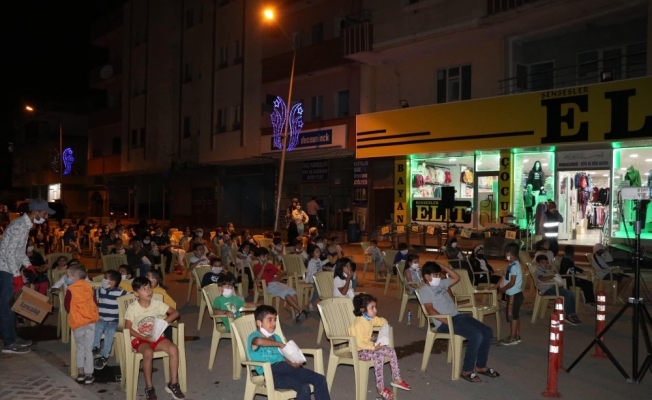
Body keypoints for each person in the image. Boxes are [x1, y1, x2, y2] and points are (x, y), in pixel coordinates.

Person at [418, 261, 499, 382]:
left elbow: (457, 277)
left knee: (487, 331)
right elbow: (430, 310)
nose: (438, 277)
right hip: (444, 323)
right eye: (435, 275)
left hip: (457, 316)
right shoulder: (425, 290)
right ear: (427, 276)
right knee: (476, 335)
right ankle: (467, 370)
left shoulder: (441, 283)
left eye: (439, 274)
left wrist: (444, 267)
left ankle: (481, 366)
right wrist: (448, 322)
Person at [0, 198, 54, 354]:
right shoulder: (19, 226)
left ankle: (13, 337)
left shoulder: (24, 225)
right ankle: (9, 343)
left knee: (12, 305)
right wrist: (16, 275)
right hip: (5, 269)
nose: (46, 217)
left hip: (9, 268)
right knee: (6, 307)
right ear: (35, 212)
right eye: (44, 213)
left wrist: (28, 265)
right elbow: (10, 254)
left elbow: (19, 252)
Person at [247, 305, 330, 400]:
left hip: (286, 368)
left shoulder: (276, 337)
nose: (273, 323)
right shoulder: (253, 337)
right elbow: (259, 342)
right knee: (303, 387)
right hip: (272, 374)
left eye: (275, 320)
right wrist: (279, 344)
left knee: (320, 379)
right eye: (270, 320)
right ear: (259, 322)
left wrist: (291, 362)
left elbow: (282, 356)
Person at [125, 277, 185, 400]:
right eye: (144, 289)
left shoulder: (157, 303)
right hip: (139, 338)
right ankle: (149, 387)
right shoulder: (133, 308)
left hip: (156, 337)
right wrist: (144, 337)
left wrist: (162, 323)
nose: (148, 291)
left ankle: (173, 383)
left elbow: (175, 313)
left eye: (149, 288)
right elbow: (128, 328)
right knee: (148, 352)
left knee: (173, 349)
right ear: (136, 293)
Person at [349, 294, 410, 399]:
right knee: (378, 356)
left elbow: (382, 321)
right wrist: (374, 347)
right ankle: (380, 387)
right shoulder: (358, 323)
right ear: (363, 310)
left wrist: (384, 327)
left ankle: (397, 378)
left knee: (391, 351)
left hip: (368, 347)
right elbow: (359, 343)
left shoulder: (370, 319)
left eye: (375, 307)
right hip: (358, 350)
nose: (375, 310)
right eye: (372, 308)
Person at [64, 264, 100, 384]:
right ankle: (89, 374)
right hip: (90, 322)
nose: (66, 278)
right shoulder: (89, 287)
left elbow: (67, 306)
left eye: (68, 275)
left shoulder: (71, 289)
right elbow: (95, 302)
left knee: (80, 348)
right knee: (88, 349)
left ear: (74, 277)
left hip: (78, 323)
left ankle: (80, 373)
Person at [253, 248, 308, 324]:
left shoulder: (270, 265)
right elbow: (258, 277)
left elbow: (281, 273)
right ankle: (300, 310)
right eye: (263, 256)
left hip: (276, 283)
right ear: (258, 257)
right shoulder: (256, 266)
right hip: (267, 286)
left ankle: (297, 313)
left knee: (292, 291)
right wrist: (264, 266)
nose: (265, 258)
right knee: (286, 293)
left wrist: (276, 277)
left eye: (266, 256)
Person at [92, 270, 128, 370]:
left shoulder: (121, 292)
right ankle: (95, 347)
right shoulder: (100, 291)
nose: (103, 280)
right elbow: (91, 297)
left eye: (105, 278)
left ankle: (105, 355)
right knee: (97, 327)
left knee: (110, 332)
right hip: (102, 318)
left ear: (112, 282)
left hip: (114, 320)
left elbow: (131, 297)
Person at [534, 254, 582, 325]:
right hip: (546, 290)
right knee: (567, 294)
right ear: (538, 264)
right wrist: (550, 276)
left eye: (547, 262)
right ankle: (569, 315)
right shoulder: (538, 271)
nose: (545, 264)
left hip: (553, 288)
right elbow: (542, 278)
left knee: (572, 294)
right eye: (543, 263)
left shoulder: (547, 271)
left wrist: (552, 271)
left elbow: (555, 276)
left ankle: (573, 314)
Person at [494, 243, 524, 345]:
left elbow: (512, 282)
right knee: (516, 315)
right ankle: (516, 335)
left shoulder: (514, 266)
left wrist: (503, 289)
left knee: (512, 317)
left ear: (508, 253)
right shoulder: (513, 264)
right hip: (516, 294)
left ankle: (512, 337)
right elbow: (505, 277)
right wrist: (496, 286)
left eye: (505, 253)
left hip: (513, 295)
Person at [305, 245, 330, 311]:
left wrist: (327, 260)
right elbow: (309, 272)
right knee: (319, 291)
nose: (319, 253)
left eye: (319, 251)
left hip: (319, 278)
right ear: (312, 253)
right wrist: (307, 280)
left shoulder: (318, 259)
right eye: (317, 251)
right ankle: (311, 303)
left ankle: (324, 303)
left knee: (325, 287)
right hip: (314, 279)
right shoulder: (311, 262)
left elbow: (321, 264)